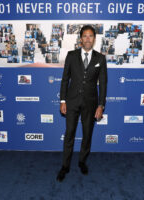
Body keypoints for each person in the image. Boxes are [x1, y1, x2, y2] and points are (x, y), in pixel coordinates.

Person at [56, 25, 108, 182]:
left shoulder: (100, 58)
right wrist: (63, 100)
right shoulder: (71, 55)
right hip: (71, 102)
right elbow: (65, 79)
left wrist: (101, 105)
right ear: (80, 39)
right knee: (69, 134)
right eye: (85, 36)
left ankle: (82, 161)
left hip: (91, 103)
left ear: (94, 38)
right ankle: (65, 166)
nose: (87, 39)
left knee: (87, 134)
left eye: (90, 36)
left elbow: (104, 83)